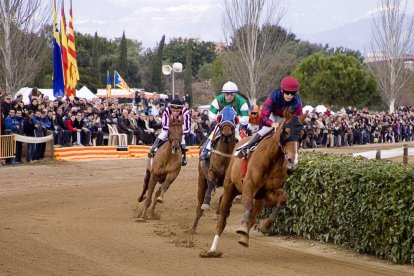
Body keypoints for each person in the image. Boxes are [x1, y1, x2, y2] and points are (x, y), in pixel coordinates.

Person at [235, 76, 303, 158]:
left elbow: (297, 119)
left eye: (292, 94)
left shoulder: (297, 101)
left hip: (287, 118)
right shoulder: (273, 97)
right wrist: (272, 124)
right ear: (282, 90)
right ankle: (247, 146)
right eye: (287, 93)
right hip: (273, 115)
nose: (289, 95)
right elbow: (262, 116)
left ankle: (294, 153)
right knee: (266, 129)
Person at [199, 81, 249, 160]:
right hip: (222, 124)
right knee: (212, 134)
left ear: (235, 94)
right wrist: (219, 119)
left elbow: (245, 119)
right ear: (223, 94)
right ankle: (205, 150)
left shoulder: (242, 102)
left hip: (236, 125)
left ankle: (245, 154)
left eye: (231, 94)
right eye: (226, 94)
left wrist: (236, 120)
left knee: (242, 139)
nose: (229, 96)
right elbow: (211, 114)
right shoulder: (218, 100)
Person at [147, 98, 191, 166]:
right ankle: (153, 149)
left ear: (181, 109)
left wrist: (179, 133)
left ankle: (183, 157)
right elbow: (164, 125)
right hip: (168, 128)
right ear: (170, 109)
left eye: (177, 111)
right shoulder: (166, 111)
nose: (175, 113)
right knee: (162, 135)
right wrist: (172, 132)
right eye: (173, 111)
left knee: (182, 139)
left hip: (180, 129)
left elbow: (187, 128)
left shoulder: (186, 113)